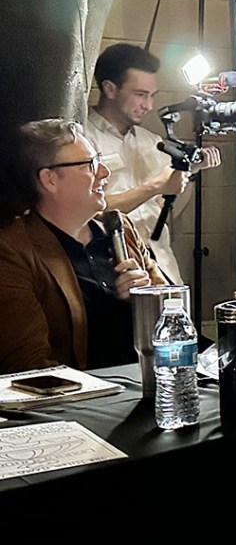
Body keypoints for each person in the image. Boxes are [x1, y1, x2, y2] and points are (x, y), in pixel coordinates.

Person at [0, 119, 164, 372]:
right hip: (82, 394)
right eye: (90, 164)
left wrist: (145, 300)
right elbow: (29, 366)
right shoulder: (13, 251)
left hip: (149, 383)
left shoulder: (120, 227)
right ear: (49, 179)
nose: (104, 172)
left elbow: (175, 316)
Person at [84, 43, 221, 284]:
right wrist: (154, 186)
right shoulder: (83, 139)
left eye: (151, 96)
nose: (148, 105)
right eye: (140, 94)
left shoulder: (152, 142)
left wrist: (188, 172)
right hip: (115, 272)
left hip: (162, 267)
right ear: (109, 88)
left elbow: (168, 214)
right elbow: (88, 211)